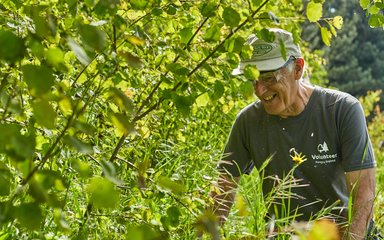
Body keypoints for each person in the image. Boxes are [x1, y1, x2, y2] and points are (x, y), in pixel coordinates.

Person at [211, 28, 377, 239]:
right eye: (253, 79)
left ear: (298, 68)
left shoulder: (341, 109)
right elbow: (222, 191)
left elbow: (364, 193)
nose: (259, 90)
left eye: (269, 78)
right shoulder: (248, 121)